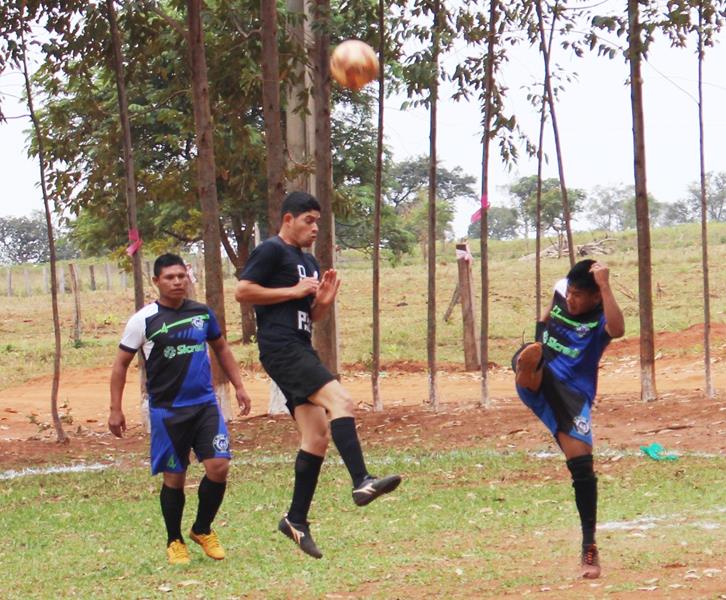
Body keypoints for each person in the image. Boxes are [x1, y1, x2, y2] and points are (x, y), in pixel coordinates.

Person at [235, 191, 401, 559]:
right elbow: (243, 291)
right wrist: (293, 290)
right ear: (288, 219)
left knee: (317, 435)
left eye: (318, 222)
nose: (314, 228)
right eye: (308, 221)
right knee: (341, 400)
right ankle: (362, 480)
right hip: (281, 348)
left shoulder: (309, 262)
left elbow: (313, 316)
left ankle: (295, 520)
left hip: (300, 345)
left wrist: (321, 303)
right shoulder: (271, 251)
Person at [109, 253, 252, 565]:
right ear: (156, 281)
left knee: (219, 467)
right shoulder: (143, 320)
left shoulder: (201, 314)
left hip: (205, 406)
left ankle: (202, 529)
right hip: (167, 412)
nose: (176, 282)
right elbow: (121, 364)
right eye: (169, 277)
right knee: (174, 478)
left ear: (188, 278)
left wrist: (239, 386)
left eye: (181, 276)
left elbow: (222, 348)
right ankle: (174, 540)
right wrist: (115, 409)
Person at [512, 259, 624, 579]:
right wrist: (539, 334)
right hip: (541, 375)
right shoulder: (562, 292)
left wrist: (605, 285)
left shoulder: (603, 317)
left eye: (579, 295)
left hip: (572, 395)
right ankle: (527, 366)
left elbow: (618, 329)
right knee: (529, 356)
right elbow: (548, 314)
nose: (571, 299)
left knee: (582, 466)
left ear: (596, 297)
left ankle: (589, 546)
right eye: (570, 293)